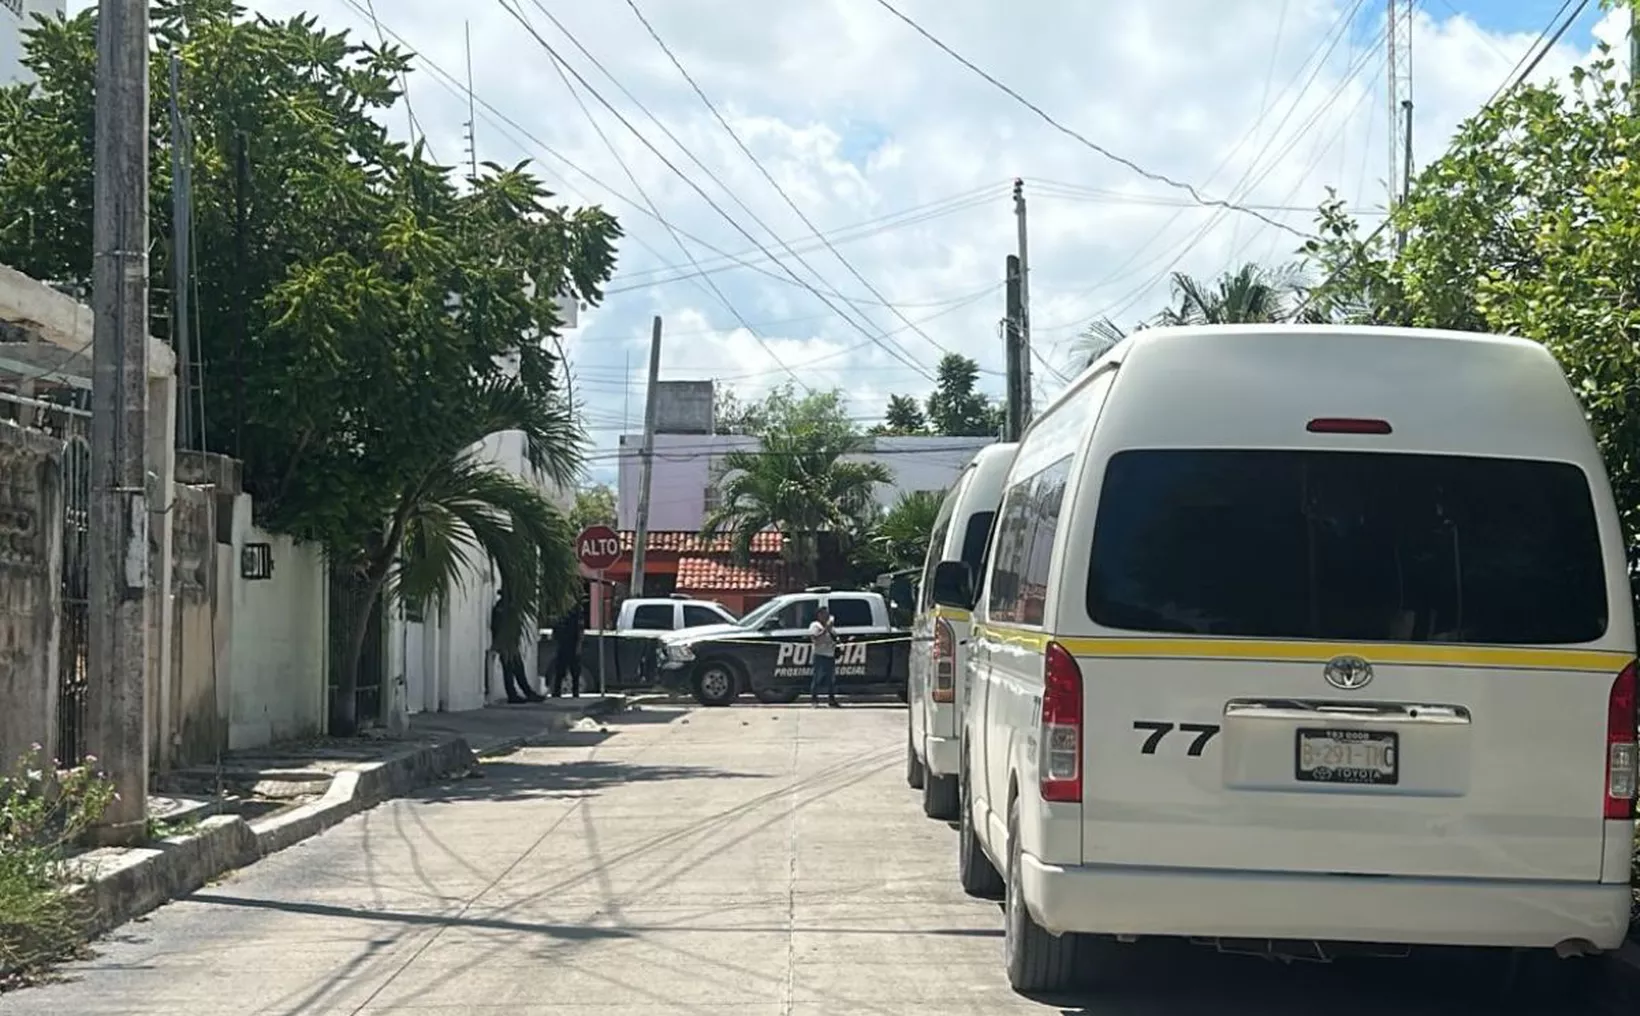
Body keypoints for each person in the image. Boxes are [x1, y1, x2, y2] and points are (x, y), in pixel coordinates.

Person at [490, 592, 543, 704]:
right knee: (509, 670)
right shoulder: (503, 608)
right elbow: (500, 627)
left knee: (518, 669)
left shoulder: (509, 608)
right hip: (506, 644)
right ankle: (513, 695)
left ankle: (527, 693)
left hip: (511, 643)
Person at [551, 599, 586, 698]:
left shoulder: (577, 612)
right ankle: (556, 692)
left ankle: (575, 692)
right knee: (560, 669)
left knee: (575, 670)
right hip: (562, 644)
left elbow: (580, 630)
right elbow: (556, 627)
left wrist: (579, 645)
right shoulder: (560, 611)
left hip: (573, 644)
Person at [808, 606, 839, 708]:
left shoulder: (831, 627)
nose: (826, 616)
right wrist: (826, 629)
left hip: (830, 655)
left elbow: (836, 638)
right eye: (824, 614)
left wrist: (831, 630)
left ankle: (831, 699)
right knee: (817, 677)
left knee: (831, 679)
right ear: (819, 615)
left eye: (827, 614)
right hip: (819, 655)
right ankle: (814, 699)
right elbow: (815, 638)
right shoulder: (815, 625)